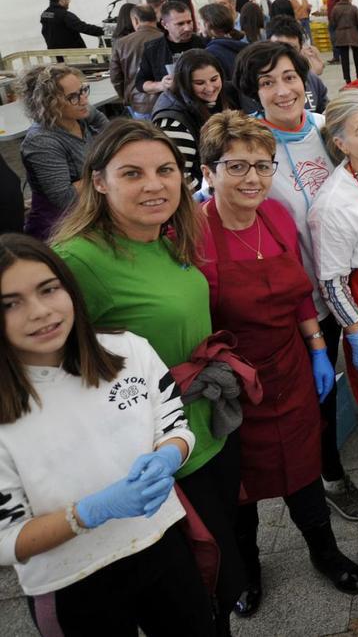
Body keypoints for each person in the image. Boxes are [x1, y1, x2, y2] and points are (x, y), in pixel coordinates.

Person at [51, 119, 243, 633]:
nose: (155, 184)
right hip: (157, 461)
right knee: (192, 599)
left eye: (165, 170)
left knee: (220, 578)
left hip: (206, 431)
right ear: (98, 181)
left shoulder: (166, 236)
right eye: (132, 173)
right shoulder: (79, 261)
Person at [195, 112, 358, 615]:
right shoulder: (191, 232)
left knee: (303, 470)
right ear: (209, 171)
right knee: (240, 489)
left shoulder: (276, 216)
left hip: (289, 368)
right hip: (229, 384)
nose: (253, 179)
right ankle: (246, 569)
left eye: (263, 166)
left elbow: (295, 293)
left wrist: (317, 349)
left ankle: (325, 552)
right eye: (237, 166)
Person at [0, 234, 213, 633]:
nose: (40, 312)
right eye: (10, 304)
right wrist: (88, 513)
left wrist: (169, 453)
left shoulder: (128, 349)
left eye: (49, 289)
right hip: (70, 579)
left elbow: (175, 426)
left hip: (161, 540)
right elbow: (6, 540)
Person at [234, 42, 358, 524]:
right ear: (253, 93)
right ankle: (330, 477)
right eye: (266, 82)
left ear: (305, 79)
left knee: (345, 378)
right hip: (297, 299)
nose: (282, 90)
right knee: (310, 398)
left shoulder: (325, 130)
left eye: (288, 76)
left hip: (349, 281)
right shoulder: (250, 148)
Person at [18, 65, 108, 240]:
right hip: (61, 228)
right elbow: (66, 198)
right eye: (73, 96)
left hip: (89, 213)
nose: (83, 100)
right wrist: (106, 171)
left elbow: (105, 126)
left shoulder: (78, 113)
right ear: (48, 103)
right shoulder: (41, 142)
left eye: (83, 90)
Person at [152, 49, 234, 190]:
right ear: (184, 83)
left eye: (214, 79)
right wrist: (210, 196)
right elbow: (178, 176)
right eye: (199, 83)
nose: (209, 88)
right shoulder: (173, 123)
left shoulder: (222, 97)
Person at [135, 1, 206, 99]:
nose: (187, 28)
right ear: (164, 24)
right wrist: (161, 85)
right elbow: (141, 83)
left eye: (189, 22)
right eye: (180, 24)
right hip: (172, 103)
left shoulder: (204, 44)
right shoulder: (153, 49)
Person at [109, 3, 161, 119]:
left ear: (135, 20)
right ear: (156, 18)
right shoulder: (166, 38)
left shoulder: (122, 43)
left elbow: (115, 77)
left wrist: (125, 97)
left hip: (138, 103)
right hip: (167, 102)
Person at [267, 16, 330, 113]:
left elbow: (326, 114)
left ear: (301, 49)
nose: (284, 55)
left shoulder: (313, 80)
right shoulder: (259, 84)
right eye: (277, 48)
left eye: (291, 49)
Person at [199, 3, 246, 81]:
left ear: (207, 25)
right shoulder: (241, 45)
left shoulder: (212, 53)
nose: (198, 27)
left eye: (200, 23)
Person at [329, 0, 358, 83]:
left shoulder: (335, 9)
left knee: (344, 58)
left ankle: (347, 78)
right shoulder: (354, 8)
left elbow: (332, 23)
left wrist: (334, 36)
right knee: (357, 56)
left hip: (341, 35)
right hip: (354, 34)